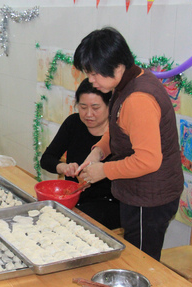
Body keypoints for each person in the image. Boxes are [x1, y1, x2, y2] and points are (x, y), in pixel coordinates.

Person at [73, 27, 183, 261]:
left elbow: (148, 160)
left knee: (142, 262)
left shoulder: (138, 99)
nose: (91, 81)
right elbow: (118, 129)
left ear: (115, 64)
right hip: (138, 191)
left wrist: (104, 171)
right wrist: (99, 151)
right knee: (135, 256)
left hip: (150, 196)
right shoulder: (128, 81)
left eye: (94, 73)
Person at [40, 78, 120, 230]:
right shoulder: (73, 124)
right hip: (75, 199)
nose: (88, 114)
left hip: (109, 204)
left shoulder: (118, 132)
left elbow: (126, 173)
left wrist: (97, 174)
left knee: (65, 225)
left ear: (110, 106)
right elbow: (46, 159)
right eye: (83, 107)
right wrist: (63, 167)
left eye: (95, 108)